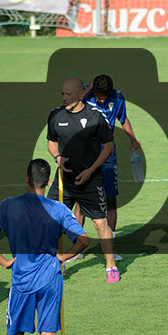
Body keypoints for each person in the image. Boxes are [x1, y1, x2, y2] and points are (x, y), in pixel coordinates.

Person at [0, 159, 89, 335]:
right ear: (48, 182)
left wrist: (3, 262)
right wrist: (64, 257)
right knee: (48, 331)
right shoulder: (58, 209)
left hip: (23, 279)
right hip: (51, 278)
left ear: (26, 178)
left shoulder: (8, 206)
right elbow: (84, 240)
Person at [46, 77, 119, 283]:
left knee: (99, 223)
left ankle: (111, 266)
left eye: (68, 94)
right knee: (50, 219)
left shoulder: (96, 116)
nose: (64, 98)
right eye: (62, 94)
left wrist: (91, 170)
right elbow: (52, 142)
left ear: (80, 94)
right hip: (64, 180)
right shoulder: (55, 115)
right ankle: (55, 263)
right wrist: (58, 158)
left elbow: (108, 146)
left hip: (91, 180)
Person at [79, 74, 141, 261]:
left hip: (108, 154)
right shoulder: (86, 95)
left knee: (111, 200)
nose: (102, 100)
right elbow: (72, 105)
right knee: (81, 201)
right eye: (99, 97)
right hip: (85, 154)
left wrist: (133, 138)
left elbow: (124, 119)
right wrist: (88, 89)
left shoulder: (118, 98)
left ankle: (110, 248)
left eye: (105, 97)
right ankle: (78, 247)